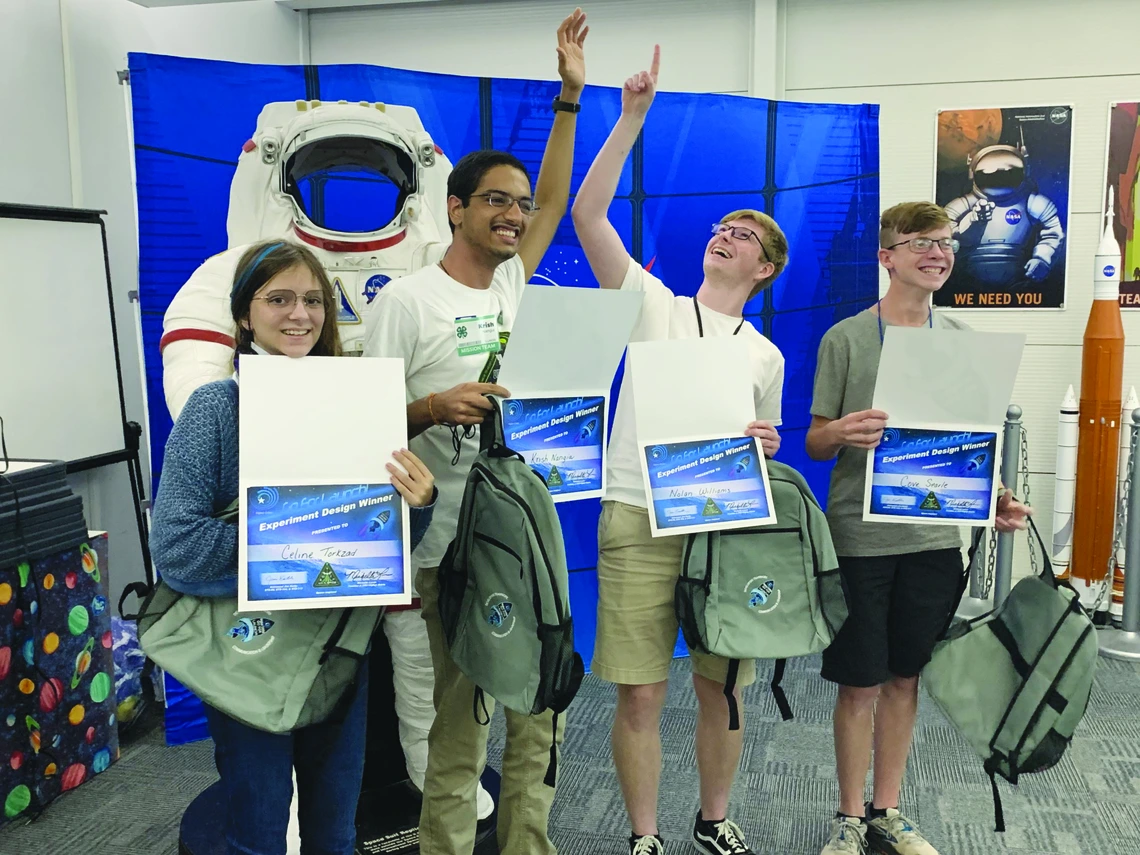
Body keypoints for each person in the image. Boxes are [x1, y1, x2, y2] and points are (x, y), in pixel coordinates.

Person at [362, 9, 588, 854]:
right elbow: (364, 423)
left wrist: (569, 98)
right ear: (454, 208)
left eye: (520, 206)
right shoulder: (407, 302)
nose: (515, 214)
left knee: (539, 716)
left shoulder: (515, 281)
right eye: (496, 200)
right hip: (445, 551)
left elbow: (559, 198)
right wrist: (428, 409)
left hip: (524, 533)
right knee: (458, 733)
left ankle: (532, 845)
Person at [150, 240, 438, 855]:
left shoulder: (361, 405)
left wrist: (418, 507)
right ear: (243, 316)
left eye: (313, 300)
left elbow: (385, 549)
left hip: (340, 650)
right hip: (249, 657)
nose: (299, 314)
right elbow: (176, 547)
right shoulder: (216, 409)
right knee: (258, 832)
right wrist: (299, 538)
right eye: (278, 298)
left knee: (335, 832)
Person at [570, 46, 787, 855]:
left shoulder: (765, 355)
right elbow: (589, 216)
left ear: (765, 268)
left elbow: (766, 443)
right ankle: (643, 834)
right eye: (721, 227)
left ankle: (714, 816)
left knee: (723, 690)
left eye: (744, 234)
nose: (725, 235)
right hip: (636, 511)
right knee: (640, 692)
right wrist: (630, 119)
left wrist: (764, 443)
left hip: (724, 525)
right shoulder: (652, 303)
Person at [805, 201, 1032, 855]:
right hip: (860, 538)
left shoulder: (960, 342)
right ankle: (849, 816)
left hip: (935, 541)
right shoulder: (845, 339)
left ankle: (887, 810)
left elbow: (970, 446)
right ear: (887, 257)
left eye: (946, 243)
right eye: (921, 242)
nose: (938, 252)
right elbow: (817, 440)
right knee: (859, 681)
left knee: (905, 677)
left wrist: (994, 499)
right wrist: (842, 431)